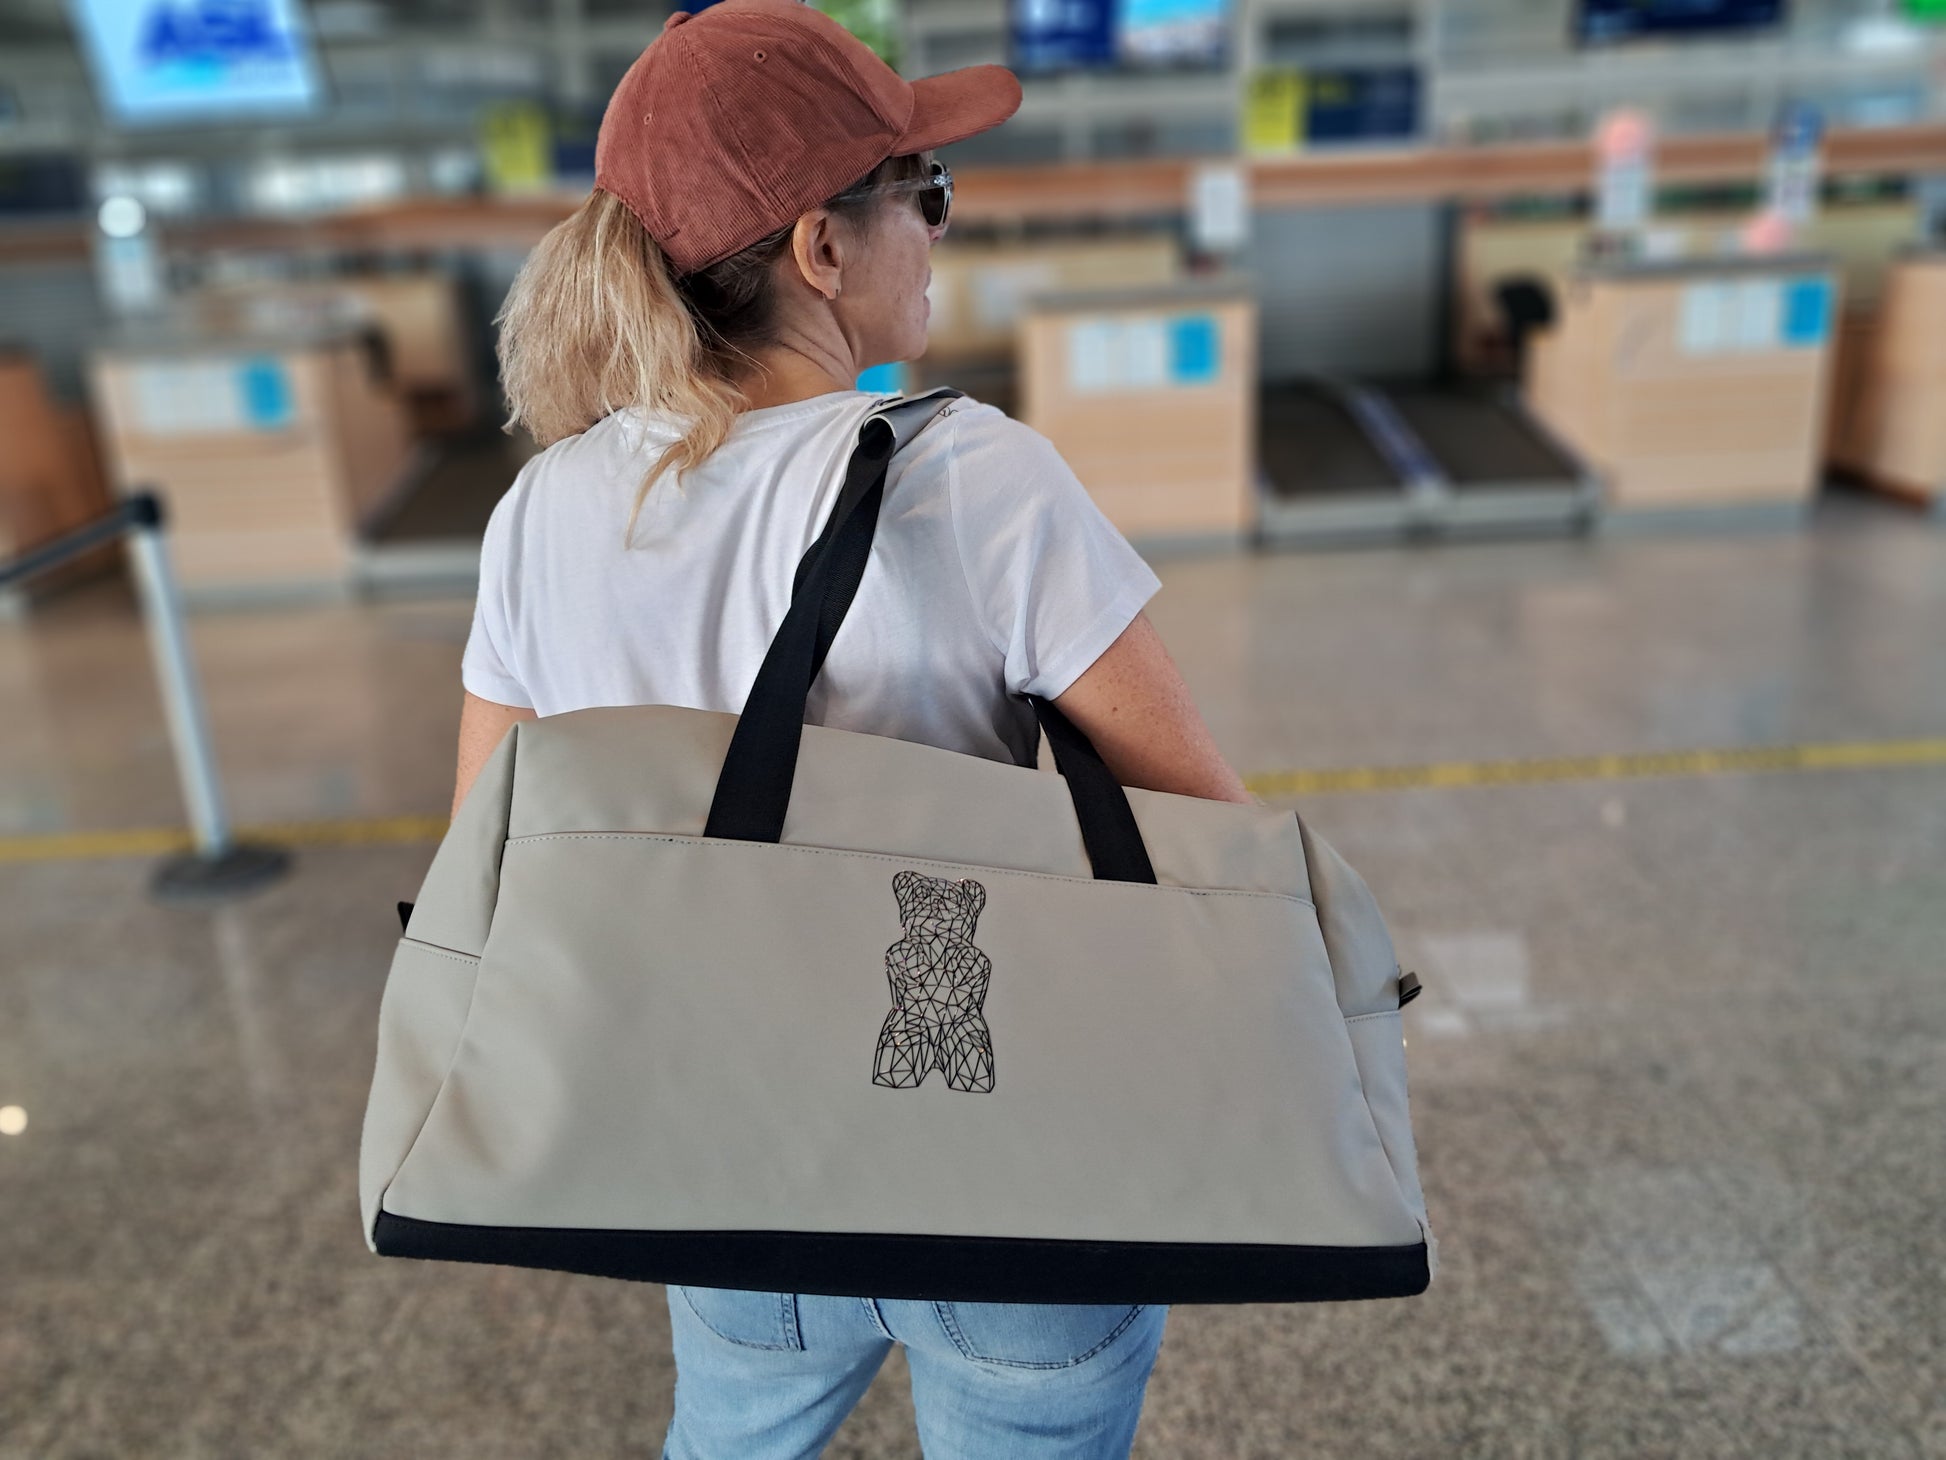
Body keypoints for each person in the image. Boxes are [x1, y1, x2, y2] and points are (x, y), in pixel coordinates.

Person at [449, 2, 1254, 1454]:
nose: (937, 232)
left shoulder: (543, 507)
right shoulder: (972, 475)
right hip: (1000, 1163)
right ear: (822, 247)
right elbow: (1204, 836)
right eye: (924, 194)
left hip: (724, 1157)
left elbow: (492, 860)